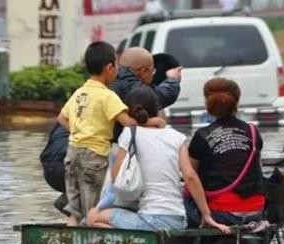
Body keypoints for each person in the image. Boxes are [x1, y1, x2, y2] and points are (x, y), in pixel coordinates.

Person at [87, 85, 231, 234]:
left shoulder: (130, 133)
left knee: (93, 217)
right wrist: (206, 214)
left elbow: (117, 176)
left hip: (151, 220)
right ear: (157, 109)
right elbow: (189, 176)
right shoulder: (177, 137)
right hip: (178, 220)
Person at [57, 41, 164, 226]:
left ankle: (69, 243)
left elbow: (61, 118)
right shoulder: (107, 96)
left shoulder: (80, 93)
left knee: (75, 209)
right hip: (94, 156)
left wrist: (80, 133)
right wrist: (154, 121)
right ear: (109, 68)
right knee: (93, 208)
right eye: (117, 65)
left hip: (72, 152)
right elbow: (128, 123)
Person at [184, 78, 266, 227]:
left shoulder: (202, 136)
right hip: (256, 210)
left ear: (207, 103)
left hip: (221, 213)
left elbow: (190, 175)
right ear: (237, 102)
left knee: (185, 196)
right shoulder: (253, 132)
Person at [110, 47, 182, 139]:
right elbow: (162, 96)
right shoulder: (135, 89)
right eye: (152, 71)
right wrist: (173, 79)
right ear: (143, 72)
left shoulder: (111, 80)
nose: (153, 75)